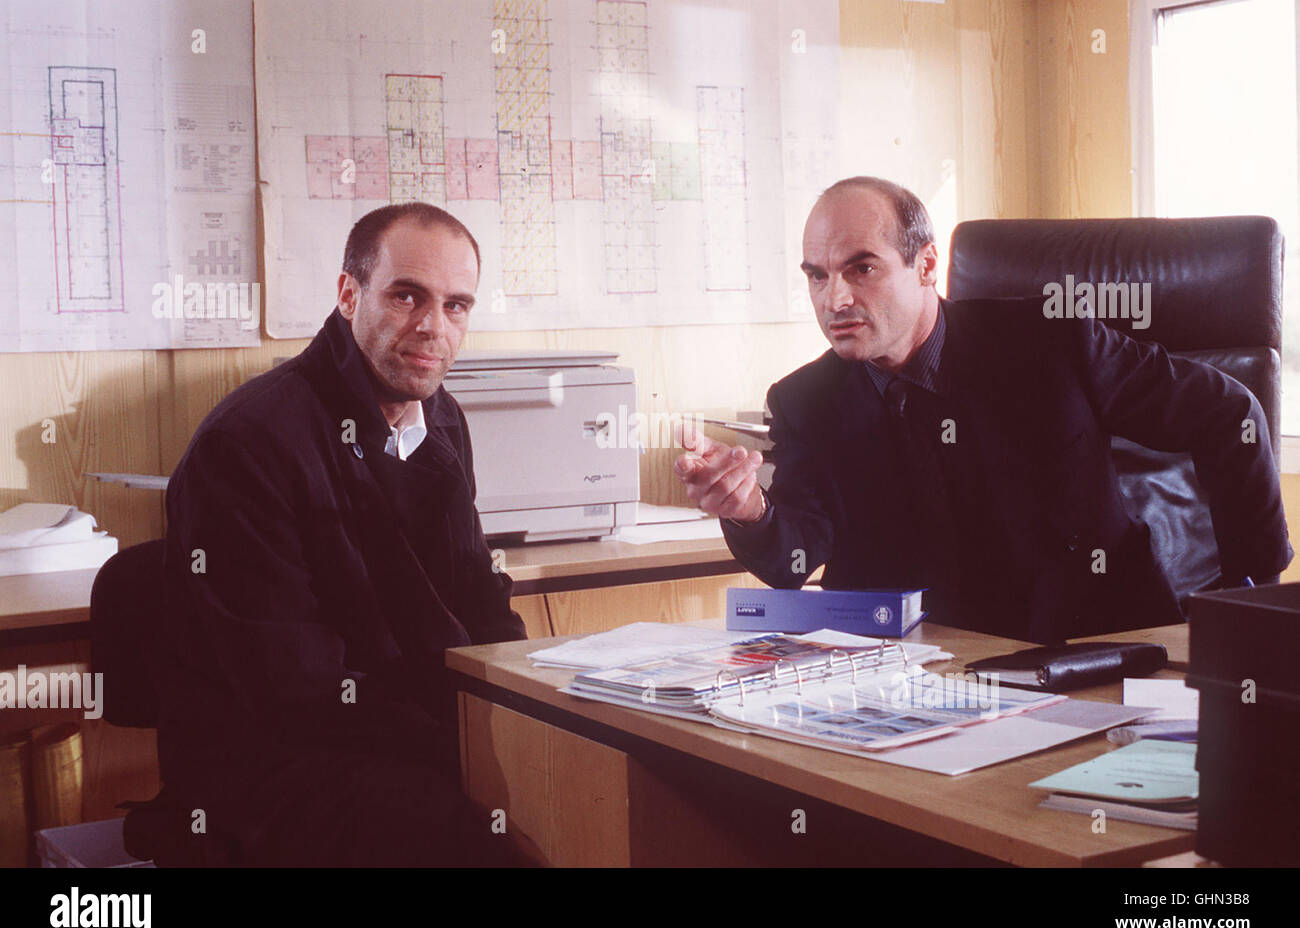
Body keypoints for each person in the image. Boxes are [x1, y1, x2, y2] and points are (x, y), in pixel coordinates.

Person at [674, 176, 1291, 643]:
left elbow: (1229, 414)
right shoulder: (805, 400)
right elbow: (795, 560)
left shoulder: (1052, 341)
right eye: (817, 276)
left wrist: (1250, 595)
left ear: (926, 265)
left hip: (1097, 649)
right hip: (927, 671)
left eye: (862, 268)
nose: (835, 298)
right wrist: (750, 510)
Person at [151, 203, 535, 865]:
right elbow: (294, 687)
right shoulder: (251, 441)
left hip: (402, 731)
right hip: (270, 761)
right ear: (348, 293)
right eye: (407, 295)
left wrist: (534, 709)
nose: (432, 328)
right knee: (479, 841)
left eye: (456, 306)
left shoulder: (439, 421)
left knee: (574, 783)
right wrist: (461, 738)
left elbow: (478, 596)